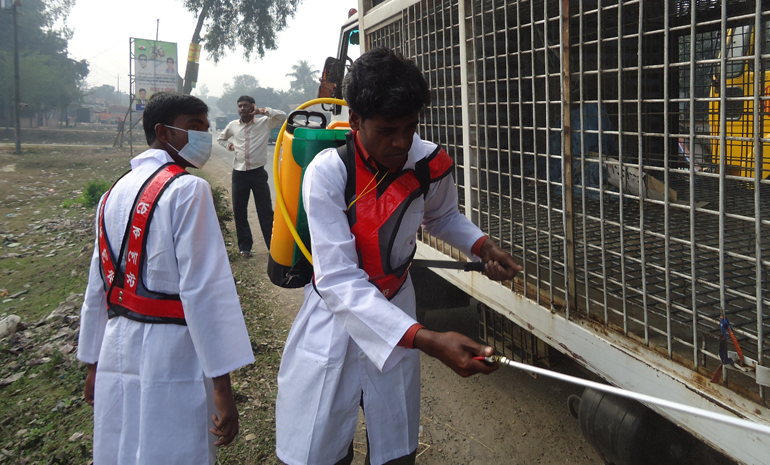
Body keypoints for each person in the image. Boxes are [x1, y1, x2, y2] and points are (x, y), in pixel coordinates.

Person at [275, 48, 522, 465]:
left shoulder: (427, 162)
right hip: (333, 317)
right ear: (355, 121)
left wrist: (483, 246)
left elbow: (443, 216)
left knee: (395, 444)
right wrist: (427, 338)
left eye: (410, 127)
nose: (401, 142)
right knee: (314, 445)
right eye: (388, 129)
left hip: (395, 299)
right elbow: (338, 280)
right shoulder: (329, 173)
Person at [77, 92, 254, 465]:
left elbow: (98, 290)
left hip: (116, 347)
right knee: (174, 447)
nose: (204, 136)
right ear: (163, 132)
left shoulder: (111, 194)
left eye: (206, 127)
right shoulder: (188, 190)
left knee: (122, 444)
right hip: (173, 351)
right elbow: (205, 290)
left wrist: (94, 364)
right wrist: (222, 387)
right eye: (194, 127)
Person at [217, 95, 286, 257]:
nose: (242, 108)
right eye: (239, 105)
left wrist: (262, 111)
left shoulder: (265, 123)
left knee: (266, 211)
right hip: (239, 173)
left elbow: (283, 116)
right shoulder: (233, 126)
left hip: (258, 173)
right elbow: (221, 138)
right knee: (240, 211)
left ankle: (272, 246)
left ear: (252, 107)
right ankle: (245, 247)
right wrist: (230, 146)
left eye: (245, 105)